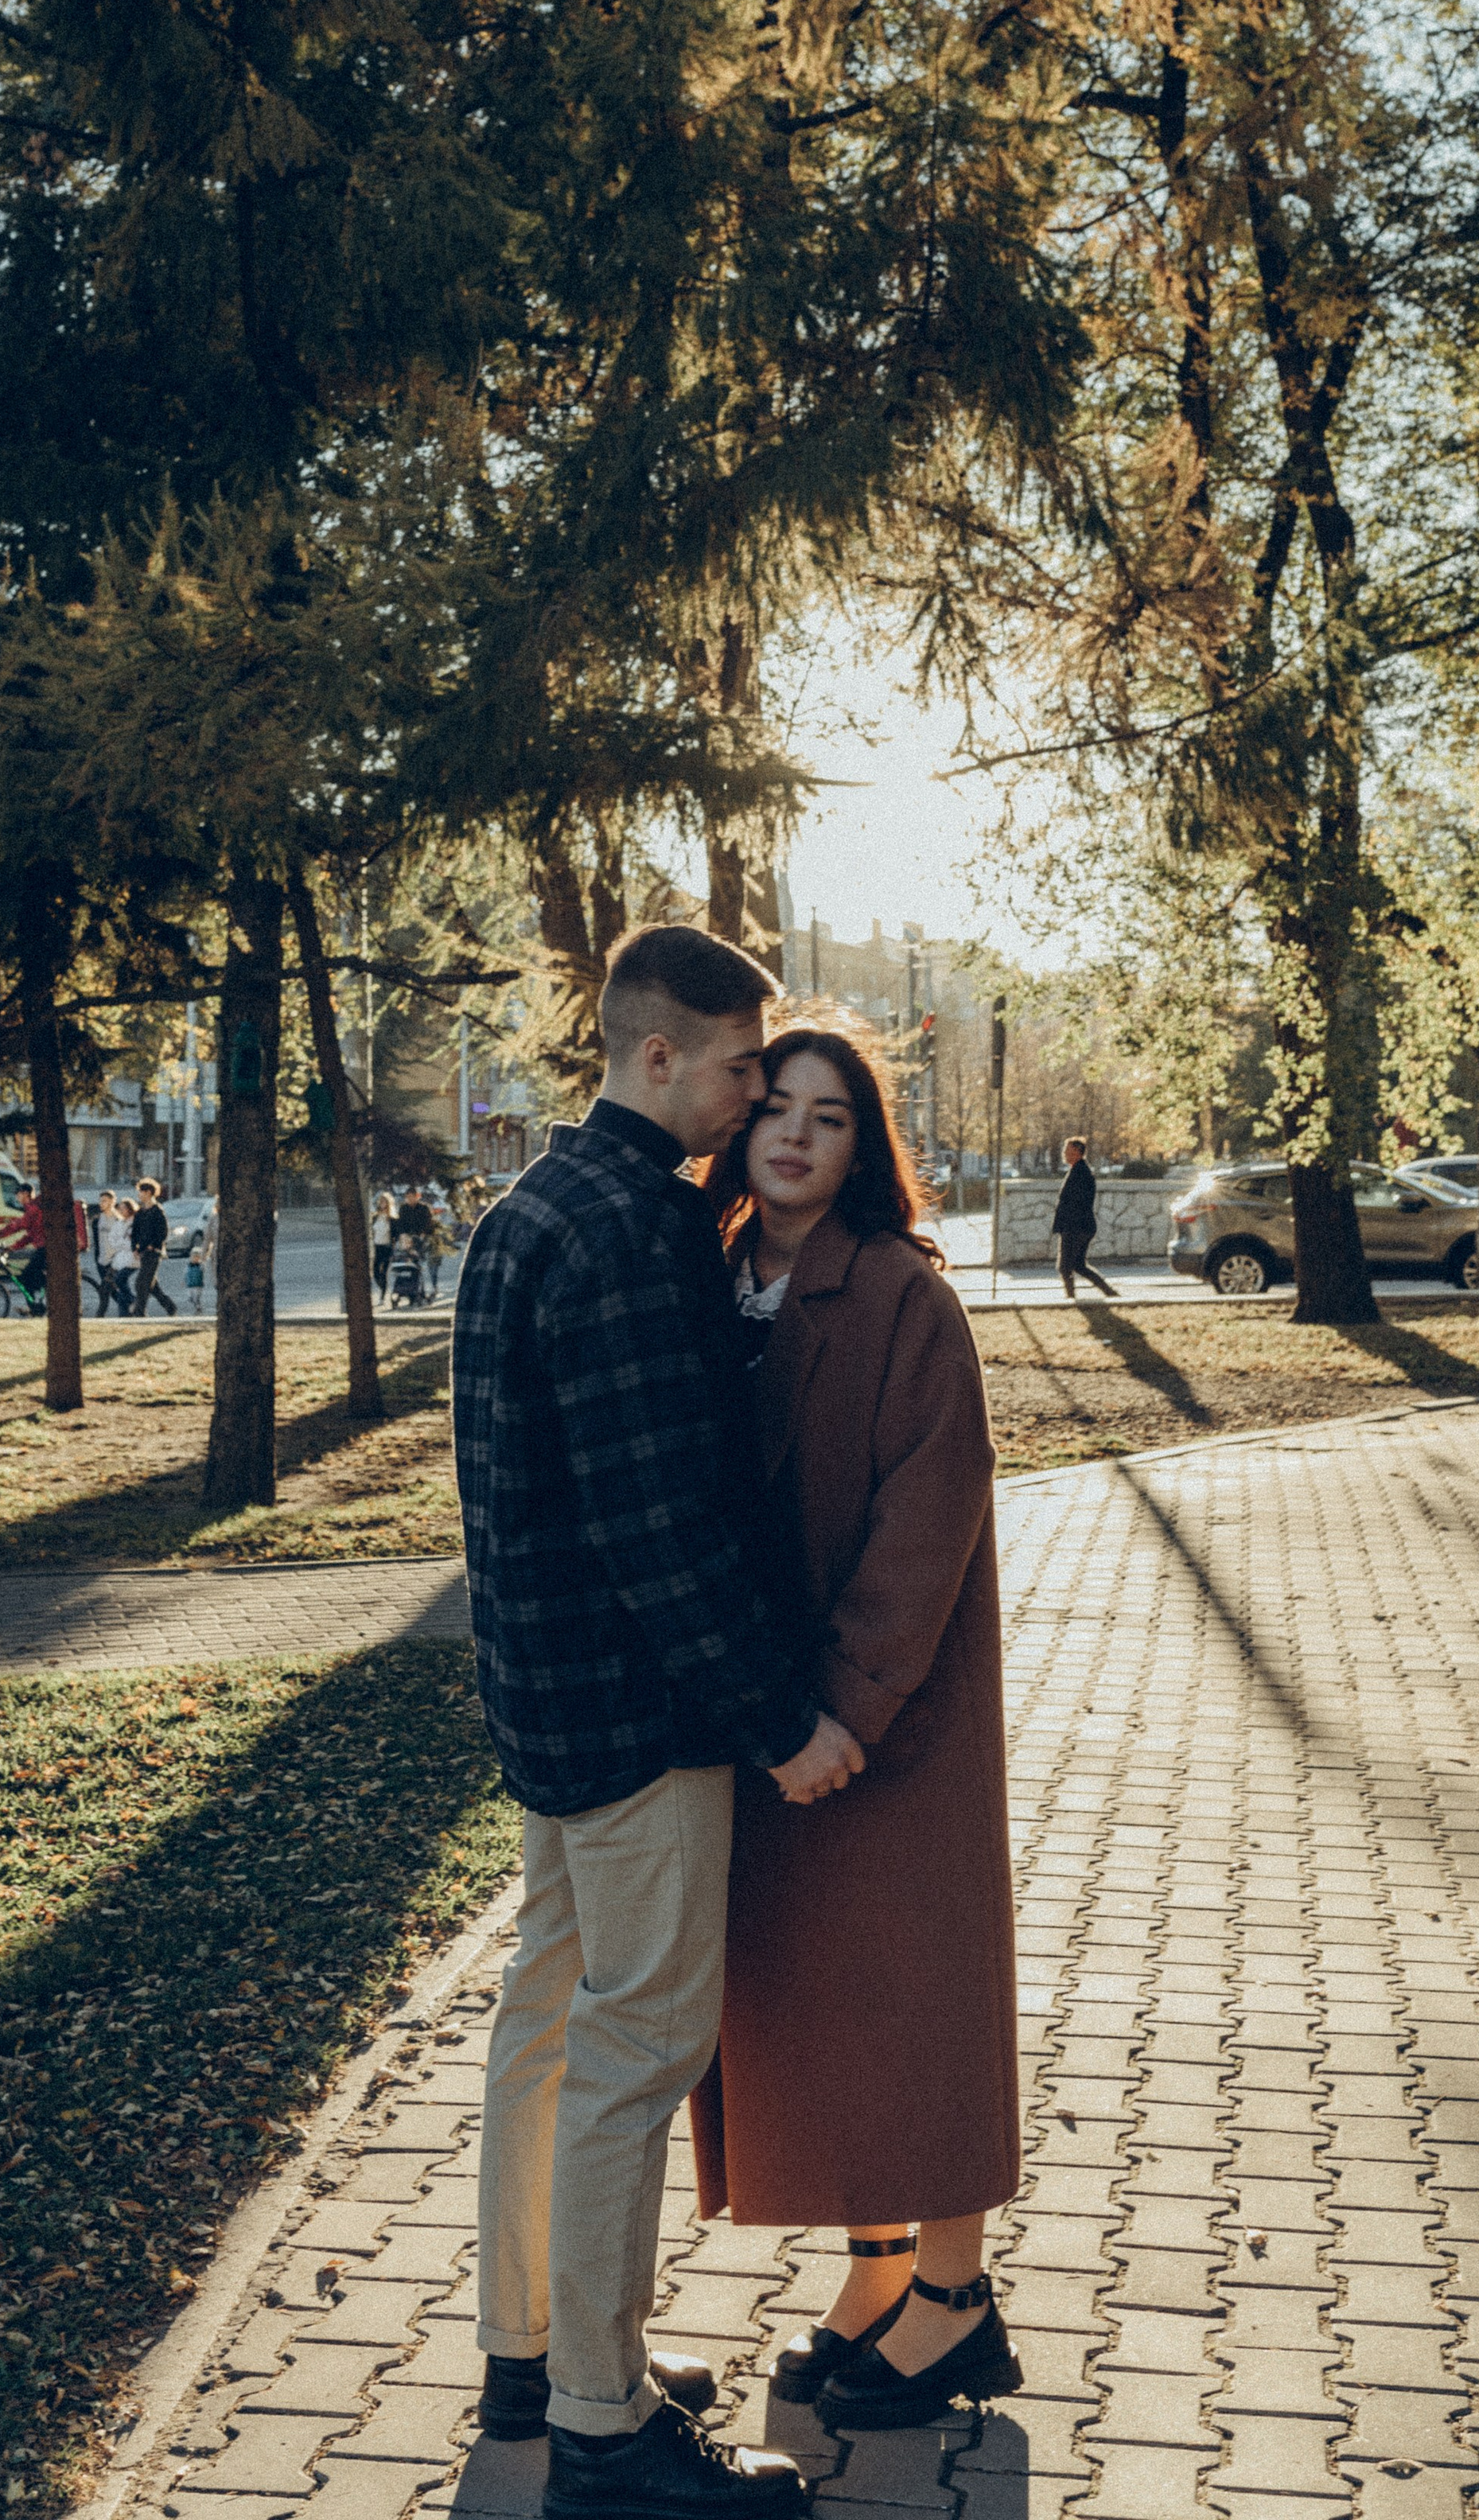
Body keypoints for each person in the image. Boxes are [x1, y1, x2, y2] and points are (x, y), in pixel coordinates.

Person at [456, 922, 858, 2520]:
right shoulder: (628, 1233)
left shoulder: (531, 1206)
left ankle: (533, 2352)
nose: (756, 1095)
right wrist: (778, 1724)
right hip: (631, 1725)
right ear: (655, 1058)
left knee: (546, 2033)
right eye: (741, 1066)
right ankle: (604, 2435)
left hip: (547, 1709)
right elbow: (659, 1529)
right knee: (631, 2052)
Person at [690, 1026, 1024, 2429]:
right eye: (775, 1109)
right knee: (826, 2011)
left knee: (917, 2004)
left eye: (831, 1120)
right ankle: (879, 2269)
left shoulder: (901, 1295)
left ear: (864, 1146)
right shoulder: (719, 1278)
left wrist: (845, 1709)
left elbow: (925, 1522)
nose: (796, 1138)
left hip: (892, 1720)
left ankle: (957, 2299)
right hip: (774, 1723)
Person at [1051, 1135, 1118, 1299]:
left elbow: (1077, 1202)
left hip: (1076, 1227)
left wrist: (1066, 1226)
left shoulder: (1081, 1172)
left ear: (1077, 1152)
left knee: (1065, 1266)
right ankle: (1110, 1293)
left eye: (1067, 1150)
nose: (1064, 1153)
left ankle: (1070, 1298)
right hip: (1078, 1226)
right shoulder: (1078, 1170)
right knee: (1078, 1265)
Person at [130, 1178, 176, 1315]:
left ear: (149, 1192)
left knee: (141, 1283)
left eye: (141, 1192)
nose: (139, 1195)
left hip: (153, 1252)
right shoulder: (140, 1212)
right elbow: (135, 1232)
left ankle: (140, 1312)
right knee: (152, 1285)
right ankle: (170, 1307)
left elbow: (163, 1232)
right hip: (143, 1252)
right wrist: (135, 1248)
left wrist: (153, 1245)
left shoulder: (157, 1211)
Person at [86, 1190, 125, 1316]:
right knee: (113, 1291)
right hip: (102, 1260)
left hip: (114, 1261)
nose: (101, 1203)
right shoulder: (97, 1220)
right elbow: (97, 1242)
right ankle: (130, 1308)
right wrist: (97, 1258)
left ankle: (99, 1316)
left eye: (105, 1201)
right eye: (100, 1201)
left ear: (113, 1202)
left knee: (104, 1290)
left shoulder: (118, 1220)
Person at [103, 1197, 138, 1315]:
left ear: (130, 1209)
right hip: (120, 1259)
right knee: (120, 1288)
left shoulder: (135, 1223)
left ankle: (134, 1302)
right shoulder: (118, 1223)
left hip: (132, 1259)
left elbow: (132, 1243)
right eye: (120, 1209)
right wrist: (122, 1243)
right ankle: (124, 1314)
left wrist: (121, 1243)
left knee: (120, 1280)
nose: (121, 1211)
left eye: (124, 1208)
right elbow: (112, 1240)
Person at [372, 1190, 396, 1303]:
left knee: (384, 1272)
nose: (382, 1204)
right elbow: (373, 1231)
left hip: (387, 1247)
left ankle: (382, 1296)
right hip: (377, 1246)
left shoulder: (392, 1219)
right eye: (381, 1202)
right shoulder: (375, 1217)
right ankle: (382, 1288)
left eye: (384, 1202)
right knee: (375, 1271)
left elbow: (395, 1234)